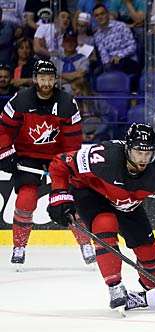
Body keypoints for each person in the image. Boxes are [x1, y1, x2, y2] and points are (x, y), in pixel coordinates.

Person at [46, 123, 155, 309]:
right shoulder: (103, 156)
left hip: (127, 205)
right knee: (104, 223)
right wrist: (59, 195)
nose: (142, 159)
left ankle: (148, 293)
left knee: (149, 250)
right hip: (93, 195)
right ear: (127, 149)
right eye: (137, 153)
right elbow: (61, 162)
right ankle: (115, 286)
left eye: (147, 153)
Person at [0, 59, 95, 269]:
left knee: (68, 200)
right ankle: (19, 247)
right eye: (42, 78)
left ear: (55, 79)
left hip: (58, 158)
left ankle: (85, 243)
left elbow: (72, 141)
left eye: (49, 78)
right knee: (26, 197)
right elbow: (4, 129)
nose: (45, 82)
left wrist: (67, 164)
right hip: (27, 156)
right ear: (35, 79)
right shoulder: (21, 100)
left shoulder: (67, 103)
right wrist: (5, 153)